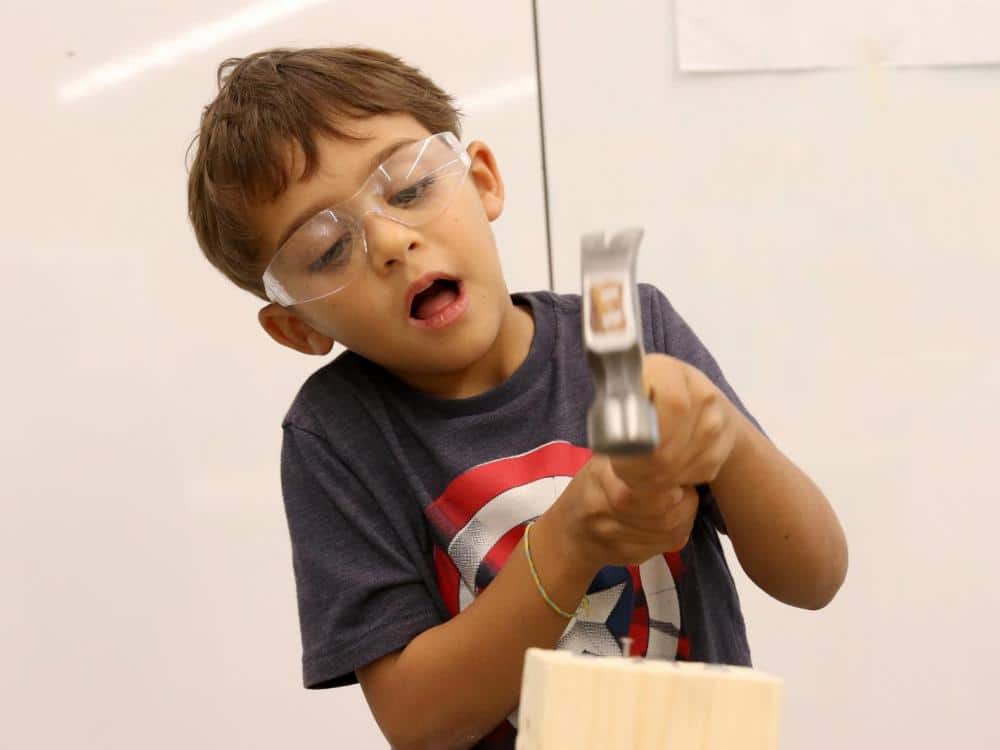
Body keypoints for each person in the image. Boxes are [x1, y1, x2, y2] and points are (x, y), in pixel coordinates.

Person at [186, 46, 848, 750]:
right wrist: (571, 540)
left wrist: (727, 440)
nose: (389, 241)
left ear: (483, 180)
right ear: (297, 327)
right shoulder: (337, 435)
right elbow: (420, 722)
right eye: (325, 250)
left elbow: (815, 576)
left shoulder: (623, 332)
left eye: (408, 189)